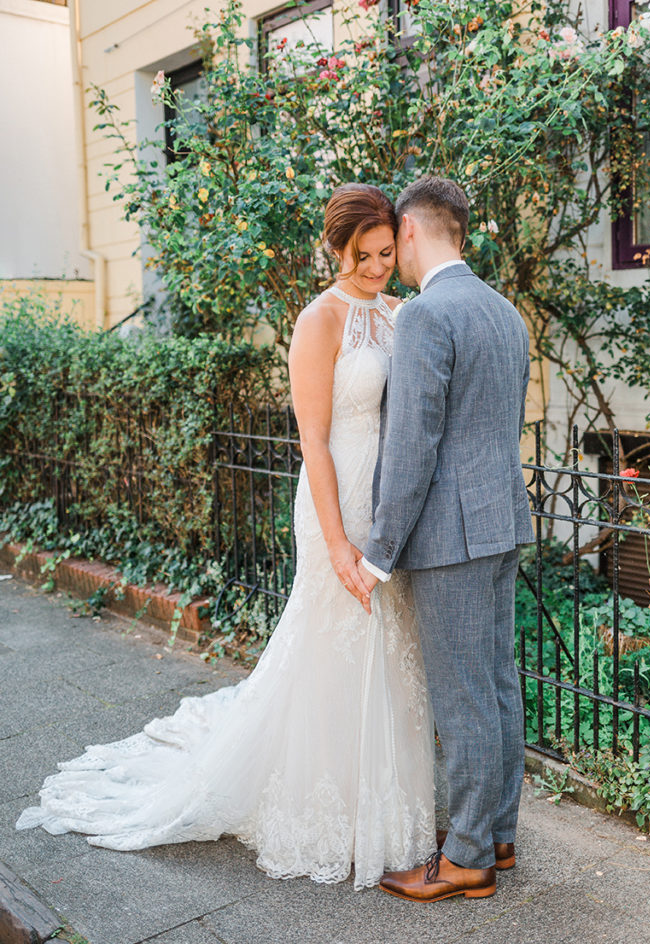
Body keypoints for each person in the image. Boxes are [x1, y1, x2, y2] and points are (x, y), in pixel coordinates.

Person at [16, 184, 436, 891]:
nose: (374, 268)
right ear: (335, 251)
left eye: (385, 254)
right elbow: (313, 440)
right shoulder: (319, 319)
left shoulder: (399, 313)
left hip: (386, 503)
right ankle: (325, 805)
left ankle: (385, 800)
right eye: (360, 256)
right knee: (334, 643)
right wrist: (337, 543)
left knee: (388, 645)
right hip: (335, 500)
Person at [357, 175, 534, 902]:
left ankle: (465, 859)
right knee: (496, 683)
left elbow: (412, 448)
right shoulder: (505, 312)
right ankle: (495, 834)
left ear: (408, 230)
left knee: (463, 698)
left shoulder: (427, 314)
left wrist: (378, 552)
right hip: (500, 523)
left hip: (450, 539)